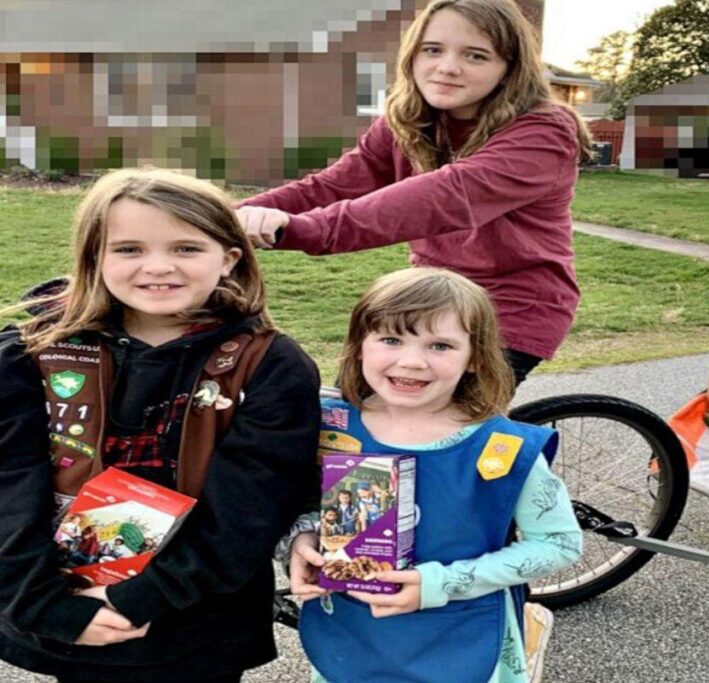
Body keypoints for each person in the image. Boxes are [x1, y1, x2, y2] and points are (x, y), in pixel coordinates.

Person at [0, 168, 321, 683]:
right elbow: (11, 485)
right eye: (128, 249)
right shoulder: (31, 352)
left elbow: (249, 512)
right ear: (94, 258)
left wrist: (139, 598)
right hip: (62, 606)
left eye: (187, 249)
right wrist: (38, 602)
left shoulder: (269, 366)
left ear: (229, 259)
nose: (158, 267)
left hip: (196, 626)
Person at [235, 0, 592, 385]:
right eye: (433, 49)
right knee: (353, 407)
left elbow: (443, 195)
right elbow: (331, 187)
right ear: (412, 54)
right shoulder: (409, 120)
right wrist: (213, 217)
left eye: (475, 55)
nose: (447, 67)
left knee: (435, 423)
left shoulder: (543, 132)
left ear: (508, 70)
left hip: (512, 305)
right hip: (431, 295)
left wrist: (300, 228)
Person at [286, 267, 582, 683]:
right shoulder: (331, 428)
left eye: (440, 345)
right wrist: (301, 540)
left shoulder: (503, 448)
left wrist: (440, 582)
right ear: (358, 346)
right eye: (391, 339)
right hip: (351, 632)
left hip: (462, 636)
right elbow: (304, 506)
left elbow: (559, 544)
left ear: (476, 357)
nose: (411, 361)